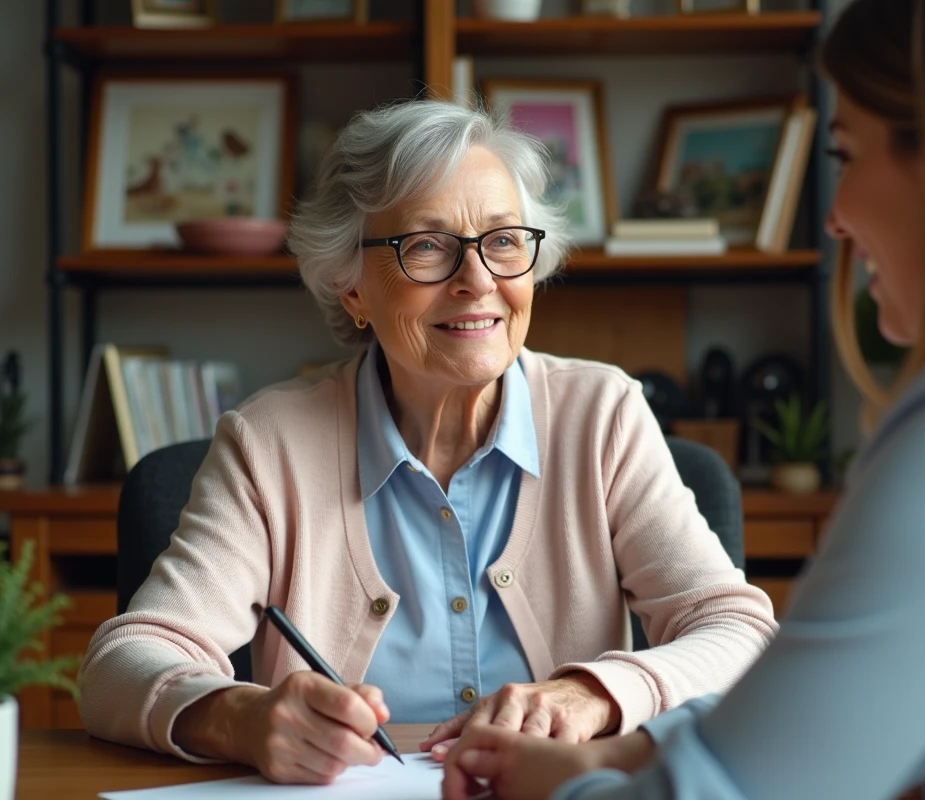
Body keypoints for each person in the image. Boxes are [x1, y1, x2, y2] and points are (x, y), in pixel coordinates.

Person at [438, 0, 925, 797]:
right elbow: (833, 703)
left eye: (845, 155)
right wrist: (625, 756)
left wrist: (553, 786)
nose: (834, 218)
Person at [76, 99, 777, 785]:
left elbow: (740, 634)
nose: (478, 282)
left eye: (504, 241)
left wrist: (590, 694)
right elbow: (122, 663)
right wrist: (242, 717)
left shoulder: (603, 414)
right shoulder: (270, 446)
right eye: (427, 246)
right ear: (352, 288)